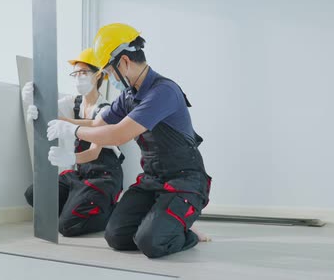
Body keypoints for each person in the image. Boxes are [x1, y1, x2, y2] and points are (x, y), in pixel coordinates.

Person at [46, 23, 212, 258]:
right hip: (152, 180)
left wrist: (72, 132)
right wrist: (57, 120)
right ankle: (165, 222)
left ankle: (185, 232)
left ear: (123, 62)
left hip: (185, 181)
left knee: (151, 243)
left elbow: (118, 134)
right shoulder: (129, 96)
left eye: (109, 71)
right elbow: (97, 123)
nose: (110, 77)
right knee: (116, 237)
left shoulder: (163, 92)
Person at [22, 48, 124, 237]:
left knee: (67, 227)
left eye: (84, 72)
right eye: (76, 73)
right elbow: (50, 110)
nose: (79, 78)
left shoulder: (106, 109)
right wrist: (33, 105)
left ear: (98, 75)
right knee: (33, 193)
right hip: (81, 175)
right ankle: (78, 205)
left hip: (104, 176)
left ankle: (114, 210)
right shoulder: (73, 102)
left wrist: (70, 156)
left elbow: (93, 152)